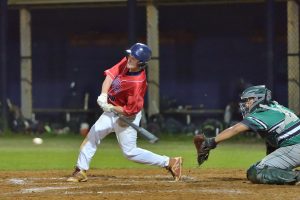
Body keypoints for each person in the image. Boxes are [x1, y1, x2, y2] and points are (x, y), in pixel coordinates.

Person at [67, 43, 182, 182]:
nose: (129, 59)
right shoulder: (126, 62)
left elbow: (130, 110)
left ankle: (170, 162)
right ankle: (81, 170)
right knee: (93, 135)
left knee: (130, 153)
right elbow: (110, 76)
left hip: (128, 116)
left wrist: (112, 108)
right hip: (112, 108)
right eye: (130, 56)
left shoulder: (137, 83)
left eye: (134, 58)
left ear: (141, 63)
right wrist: (104, 95)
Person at [194, 85, 300, 185]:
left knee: (256, 171)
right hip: (295, 147)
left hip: (295, 147)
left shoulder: (261, 113)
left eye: (249, 99)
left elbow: (235, 129)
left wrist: (211, 142)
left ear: (257, 99)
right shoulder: (276, 107)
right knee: (271, 143)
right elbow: (273, 141)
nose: (246, 103)